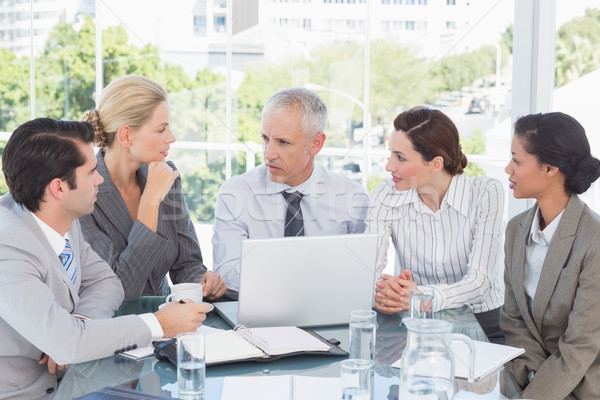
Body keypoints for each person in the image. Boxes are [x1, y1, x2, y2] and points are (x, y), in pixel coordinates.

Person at [0, 118, 208, 399]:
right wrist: (159, 323)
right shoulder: (8, 247)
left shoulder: (57, 213)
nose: (99, 179)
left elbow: (107, 282)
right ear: (59, 188)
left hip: (74, 381)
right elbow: (67, 342)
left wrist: (80, 327)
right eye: (91, 173)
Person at [80, 75, 226, 301]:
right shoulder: (82, 192)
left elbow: (187, 264)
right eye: (161, 129)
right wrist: (150, 203)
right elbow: (121, 290)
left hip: (169, 321)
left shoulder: (166, 176)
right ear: (126, 135)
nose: (172, 138)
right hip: (114, 328)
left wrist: (202, 281)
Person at [368, 106, 505, 344]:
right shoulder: (385, 193)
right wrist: (381, 294)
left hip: (485, 322)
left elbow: (479, 283)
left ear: (435, 163)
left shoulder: (486, 192)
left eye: (400, 157)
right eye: (390, 154)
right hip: (416, 322)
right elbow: (369, 268)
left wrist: (421, 295)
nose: (389, 166)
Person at [212, 88, 369, 293]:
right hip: (256, 315)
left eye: (283, 142)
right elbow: (228, 275)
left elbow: (362, 275)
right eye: (265, 138)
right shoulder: (236, 193)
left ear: (315, 144)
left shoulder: (352, 198)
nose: (268, 154)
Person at [500, 112, 600, 399]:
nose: (508, 168)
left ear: (550, 168)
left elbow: (580, 346)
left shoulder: (594, 240)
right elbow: (512, 319)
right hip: (528, 377)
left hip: (582, 388)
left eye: (517, 161)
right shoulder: (515, 230)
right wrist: (533, 376)